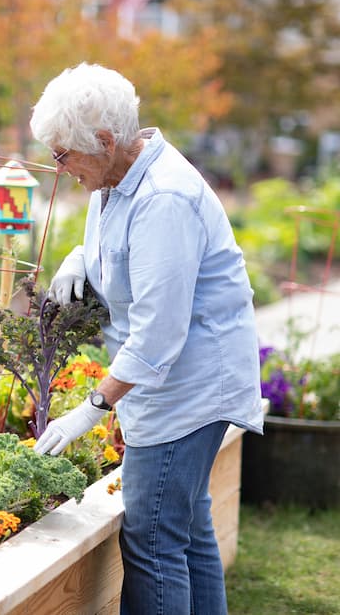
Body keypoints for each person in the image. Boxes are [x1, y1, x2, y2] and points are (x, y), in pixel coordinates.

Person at [29, 63, 264, 614]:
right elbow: (121, 249)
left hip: (189, 391)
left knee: (153, 539)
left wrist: (90, 410)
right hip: (171, 385)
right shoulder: (114, 180)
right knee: (189, 530)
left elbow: (159, 335)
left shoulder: (164, 198)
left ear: (105, 140)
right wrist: (77, 258)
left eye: (63, 155)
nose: (59, 168)